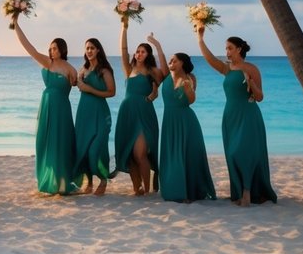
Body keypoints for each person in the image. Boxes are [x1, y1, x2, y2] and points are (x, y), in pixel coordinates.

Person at [196, 26, 277, 206]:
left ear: (239, 49)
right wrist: (200, 39)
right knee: (232, 154)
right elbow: (209, 59)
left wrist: (251, 83)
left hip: (249, 116)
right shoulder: (227, 69)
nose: (227, 51)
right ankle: (240, 190)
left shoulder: (251, 69)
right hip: (230, 117)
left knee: (244, 152)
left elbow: (260, 97)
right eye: (226, 48)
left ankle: (247, 192)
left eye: (230, 48)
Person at [12, 14, 79, 195]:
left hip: (62, 110)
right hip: (46, 106)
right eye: (50, 49)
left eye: (55, 48)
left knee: (62, 142)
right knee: (44, 142)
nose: (51, 51)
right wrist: (16, 25)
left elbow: (81, 85)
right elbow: (29, 47)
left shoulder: (71, 69)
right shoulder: (47, 63)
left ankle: (63, 182)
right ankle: (47, 180)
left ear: (62, 50)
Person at [147, 32, 215, 203]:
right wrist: (156, 44)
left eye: (174, 60)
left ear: (182, 63)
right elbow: (161, 58)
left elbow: (191, 101)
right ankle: (175, 190)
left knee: (189, 156)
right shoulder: (165, 76)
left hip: (187, 122)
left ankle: (188, 192)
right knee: (172, 156)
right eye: (170, 61)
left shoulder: (190, 78)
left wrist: (187, 88)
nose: (170, 63)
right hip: (169, 122)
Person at [114, 19, 163, 196]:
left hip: (144, 114)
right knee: (130, 155)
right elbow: (123, 50)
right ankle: (137, 188)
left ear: (148, 55)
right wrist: (124, 27)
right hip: (127, 114)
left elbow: (165, 69)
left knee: (140, 153)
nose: (138, 54)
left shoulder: (154, 72)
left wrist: (157, 45)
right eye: (137, 51)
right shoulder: (129, 69)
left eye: (142, 52)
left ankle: (147, 188)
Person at [74, 37, 116, 195]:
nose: (89, 51)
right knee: (83, 148)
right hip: (84, 114)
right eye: (87, 48)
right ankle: (89, 182)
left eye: (92, 48)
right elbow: (77, 83)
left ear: (98, 50)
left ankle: (103, 179)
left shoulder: (104, 70)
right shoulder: (83, 69)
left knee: (95, 150)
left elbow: (112, 92)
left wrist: (89, 89)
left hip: (100, 114)